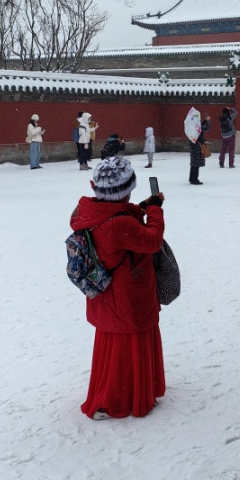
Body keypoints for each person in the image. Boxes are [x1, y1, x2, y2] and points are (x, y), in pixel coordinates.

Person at [71, 156, 166, 420]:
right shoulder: (121, 224)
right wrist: (155, 212)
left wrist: (144, 207)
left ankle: (112, 392)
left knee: (113, 349)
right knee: (129, 345)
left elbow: (117, 215)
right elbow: (152, 240)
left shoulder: (89, 213)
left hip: (105, 295)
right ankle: (119, 399)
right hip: (128, 295)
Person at [189, 113, 210, 184]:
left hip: (193, 145)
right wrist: (208, 121)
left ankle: (192, 178)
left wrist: (204, 121)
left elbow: (201, 127)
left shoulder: (191, 125)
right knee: (196, 164)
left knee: (194, 163)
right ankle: (194, 179)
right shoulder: (196, 126)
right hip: (197, 146)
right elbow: (205, 128)